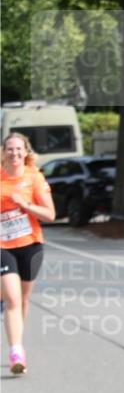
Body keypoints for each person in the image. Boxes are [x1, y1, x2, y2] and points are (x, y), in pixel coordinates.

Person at [1, 133, 56, 374]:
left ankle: (17, 342)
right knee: (12, 298)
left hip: (30, 246)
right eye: (10, 149)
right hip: (2, 247)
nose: (14, 153)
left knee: (22, 300)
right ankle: (16, 353)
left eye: (18, 149)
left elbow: (50, 215)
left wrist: (25, 204)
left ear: (26, 152)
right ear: (3, 152)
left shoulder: (34, 178)